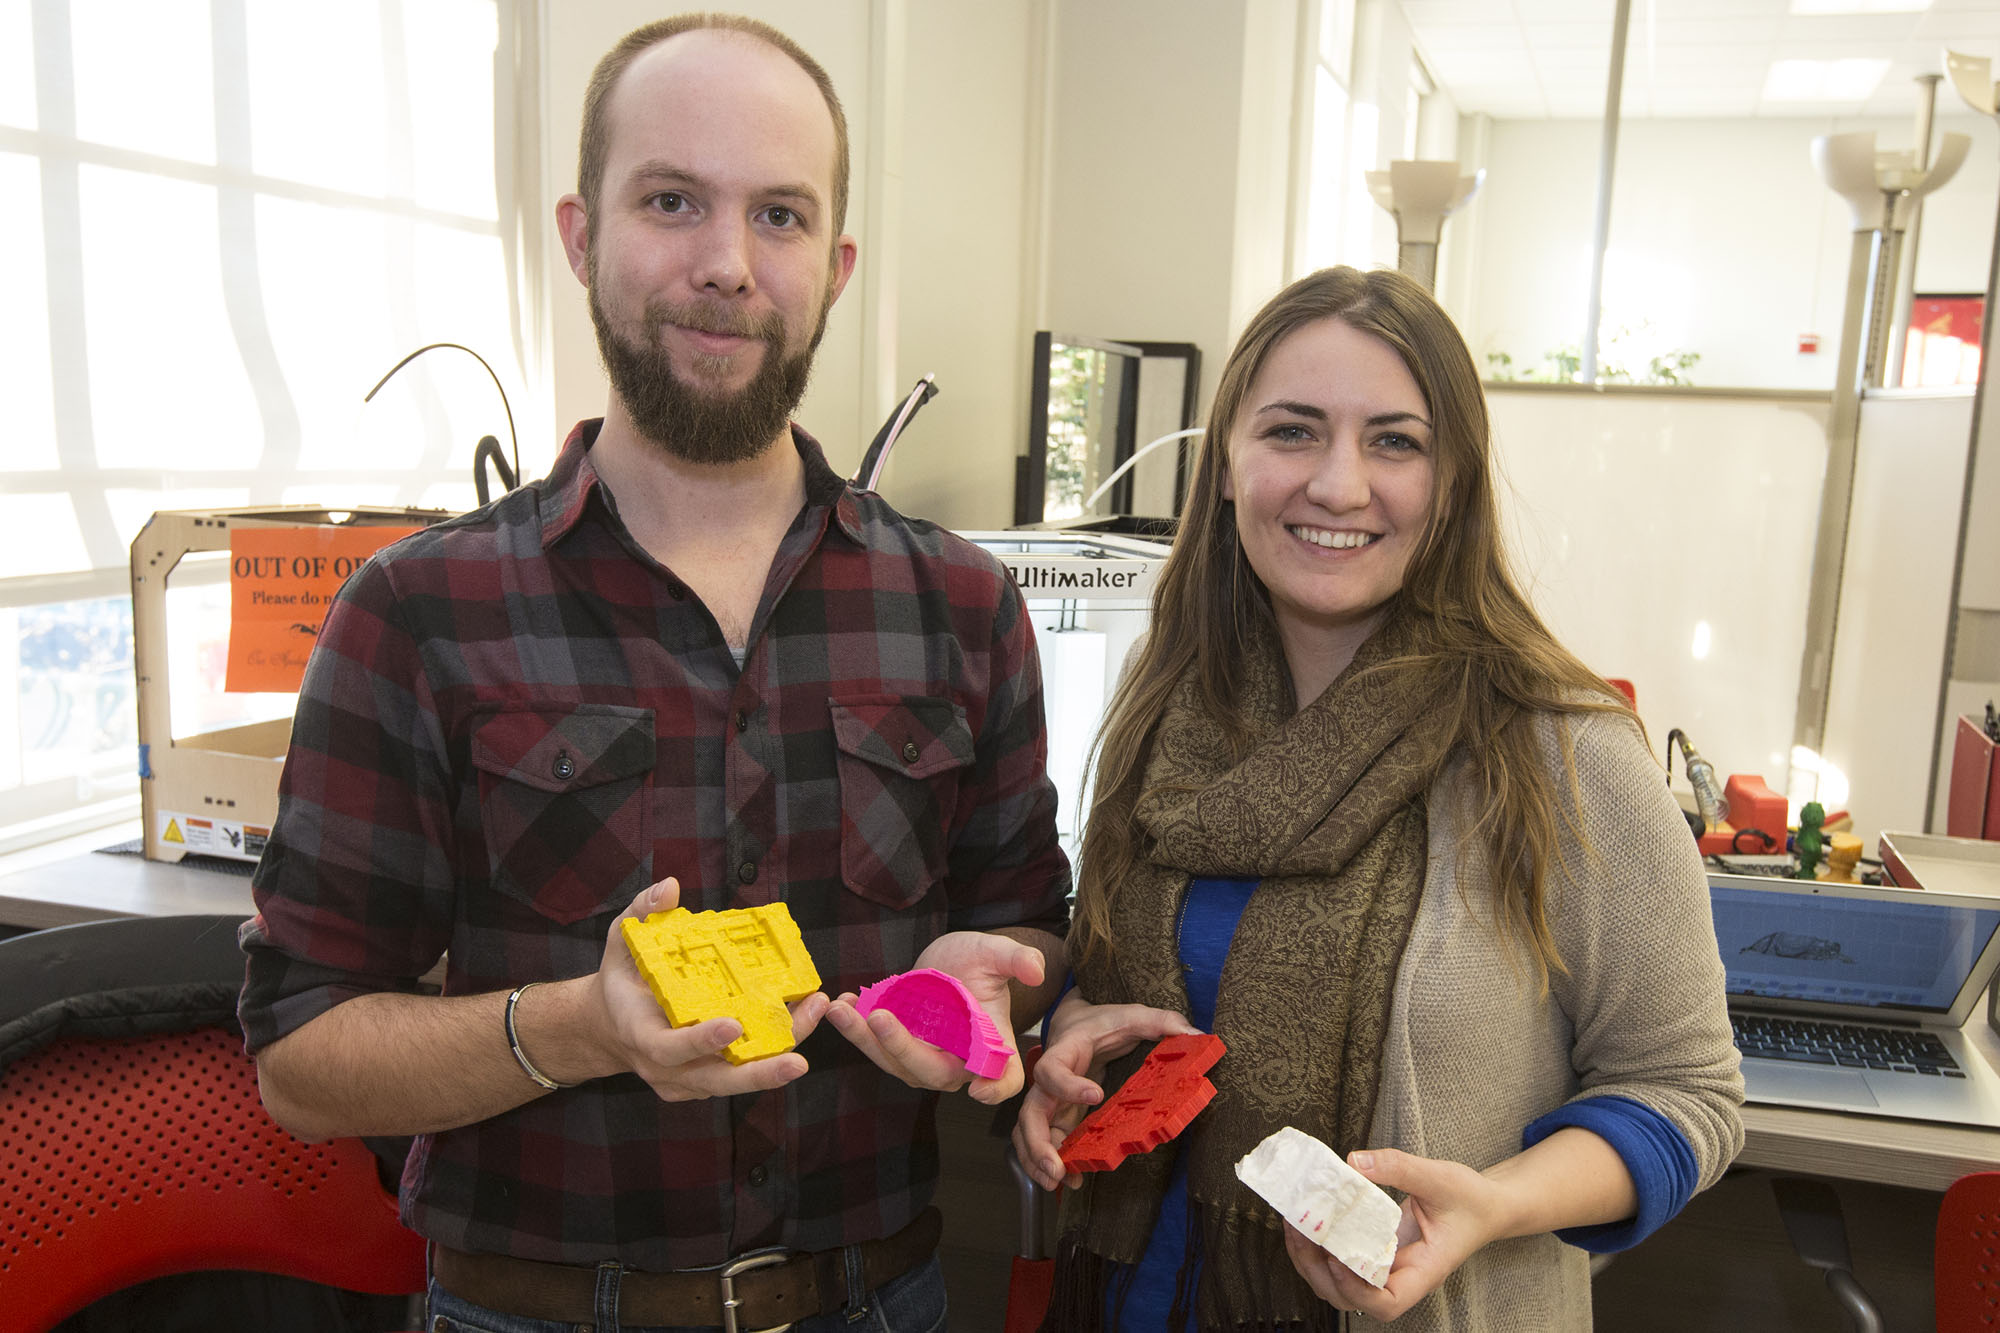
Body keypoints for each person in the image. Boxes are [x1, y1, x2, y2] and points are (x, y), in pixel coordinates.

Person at [238, 15, 1070, 1333]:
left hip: (878, 1301)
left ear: (837, 267)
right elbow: (301, 1056)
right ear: (580, 235)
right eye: (673, 201)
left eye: (781, 216)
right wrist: (584, 1025)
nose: (730, 265)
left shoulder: (960, 606)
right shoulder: (416, 613)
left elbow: (1024, 927)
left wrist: (990, 991)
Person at [1012, 265, 1743, 1332]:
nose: (1339, 485)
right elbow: (1122, 976)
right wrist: (1070, 1035)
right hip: (1127, 1295)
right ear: (1226, 461)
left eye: (1394, 441)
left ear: (1452, 482)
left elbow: (1689, 1095)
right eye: (1292, 431)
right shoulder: (1163, 710)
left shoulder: (1555, 750)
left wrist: (1493, 1203)